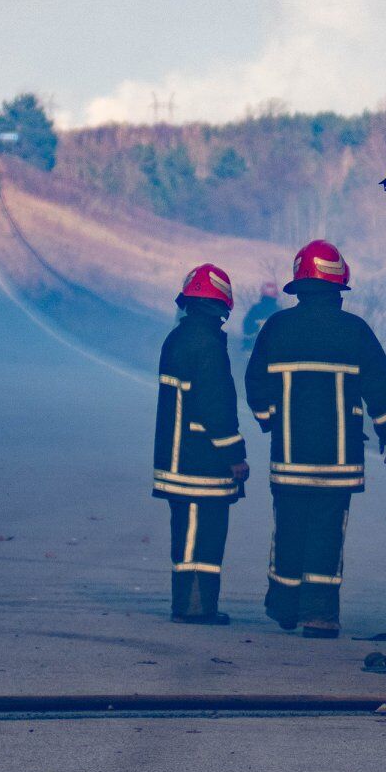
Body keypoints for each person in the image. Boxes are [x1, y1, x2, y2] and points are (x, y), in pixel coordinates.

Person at [245, 239, 386, 638]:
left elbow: (255, 383)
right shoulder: (356, 331)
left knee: (290, 528)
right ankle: (320, 616)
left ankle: (284, 606)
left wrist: (270, 421)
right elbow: (380, 383)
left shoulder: (277, 328)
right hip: (339, 460)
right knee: (328, 533)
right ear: (339, 286)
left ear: (299, 285)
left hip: (290, 456)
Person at [152, 264, 249, 624]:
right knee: (202, 539)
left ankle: (192, 604)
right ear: (222, 306)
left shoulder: (176, 338)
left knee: (187, 536)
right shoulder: (207, 345)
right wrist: (235, 454)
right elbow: (216, 406)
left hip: (176, 460)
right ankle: (195, 607)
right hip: (200, 464)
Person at [240, 281, 278, 354]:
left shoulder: (255, 310)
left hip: (253, 351)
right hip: (274, 353)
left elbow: (246, 327)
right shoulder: (278, 310)